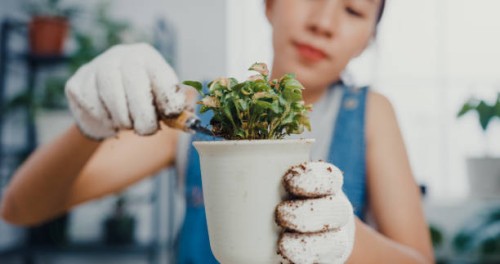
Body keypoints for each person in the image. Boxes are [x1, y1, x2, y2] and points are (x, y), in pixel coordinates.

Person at [1, 0, 434, 263]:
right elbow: (20, 208)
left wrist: (347, 240)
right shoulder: (193, 111)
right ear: (269, 4)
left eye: (354, 10)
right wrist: (90, 125)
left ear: (368, 39)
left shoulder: (371, 114)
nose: (324, 21)